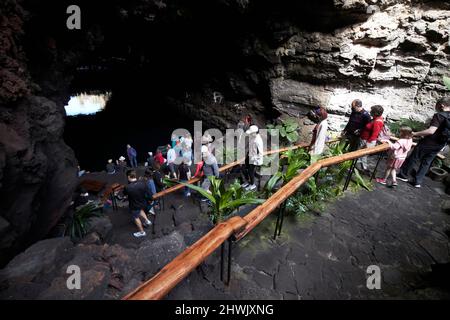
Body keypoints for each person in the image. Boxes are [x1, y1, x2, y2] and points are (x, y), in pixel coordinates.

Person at [398, 97, 450, 188]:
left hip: (429, 142)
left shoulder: (439, 115)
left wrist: (415, 133)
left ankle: (403, 175)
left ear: (442, 105)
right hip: (440, 144)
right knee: (427, 162)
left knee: (414, 157)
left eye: (437, 105)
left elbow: (431, 131)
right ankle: (417, 181)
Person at [123, 170, 152, 238]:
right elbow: (149, 193)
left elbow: (124, 194)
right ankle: (147, 221)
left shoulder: (127, 187)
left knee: (136, 217)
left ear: (129, 177)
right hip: (143, 202)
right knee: (141, 210)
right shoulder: (143, 183)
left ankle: (142, 232)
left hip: (134, 205)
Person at [359, 105, 385, 171]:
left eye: (371, 110)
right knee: (361, 155)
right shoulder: (375, 119)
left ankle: (363, 169)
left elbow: (374, 134)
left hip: (367, 140)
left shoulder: (377, 121)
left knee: (363, 155)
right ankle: (361, 168)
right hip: (365, 139)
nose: (370, 111)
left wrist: (367, 144)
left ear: (375, 112)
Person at [242, 125, 264, 191]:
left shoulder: (258, 141)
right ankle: (247, 181)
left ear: (255, 133)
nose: (250, 134)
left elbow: (260, 153)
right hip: (249, 155)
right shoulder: (252, 137)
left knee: (250, 172)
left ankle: (252, 184)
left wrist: (254, 159)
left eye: (251, 133)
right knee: (243, 168)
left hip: (254, 159)